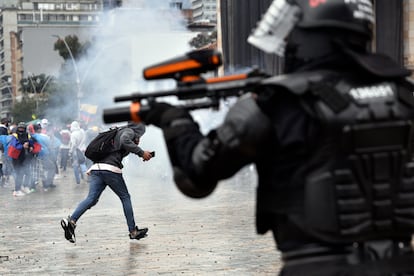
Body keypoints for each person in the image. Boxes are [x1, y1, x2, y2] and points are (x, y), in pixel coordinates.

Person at [136, 0, 414, 275]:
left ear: (308, 35)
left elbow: (197, 176)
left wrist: (173, 120)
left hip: (316, 268)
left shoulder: (278, 103)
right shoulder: (402, 96)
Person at [61, 122, 154, 243]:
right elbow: (125, 140)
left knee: (91, 199)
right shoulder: (129, 132)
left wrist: (136, 149)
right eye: (140, 136)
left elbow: (121, 146)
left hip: (97, 168)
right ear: (138, 131)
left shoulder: (118, 132)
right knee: (125, 197)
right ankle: (133, 231)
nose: (139, 139)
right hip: (110, 170)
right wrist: (141, 152)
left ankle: (72, 222)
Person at [9, 122, 37, 196]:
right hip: (16, 158)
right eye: (20, 128)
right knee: (19, 174)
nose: (21, 129)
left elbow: (31, 142)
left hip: (25, 157)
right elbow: (14, 146)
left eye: (22, 128)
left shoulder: (27, 135)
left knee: (28, 173)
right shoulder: (14, 136)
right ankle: (16, 190)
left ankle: (25, 186)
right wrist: (22, 146)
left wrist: (31, 146)